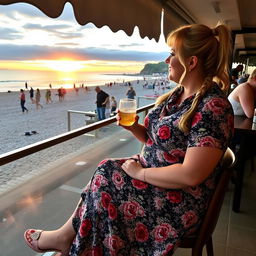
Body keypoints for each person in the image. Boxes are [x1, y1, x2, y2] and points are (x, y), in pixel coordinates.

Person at [24, 23, 234, 256]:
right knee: (105, 172)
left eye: (173, 54)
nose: (167, 60)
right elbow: (156, 142)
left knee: (104, 185)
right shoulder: (177, 95)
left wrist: (139, 173)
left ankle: (71, 242)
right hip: (156, 178)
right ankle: (71, 241)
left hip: (177, 199)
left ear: (191, 62)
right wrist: (134, 127)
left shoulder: (213, 107)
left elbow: (190, 174)